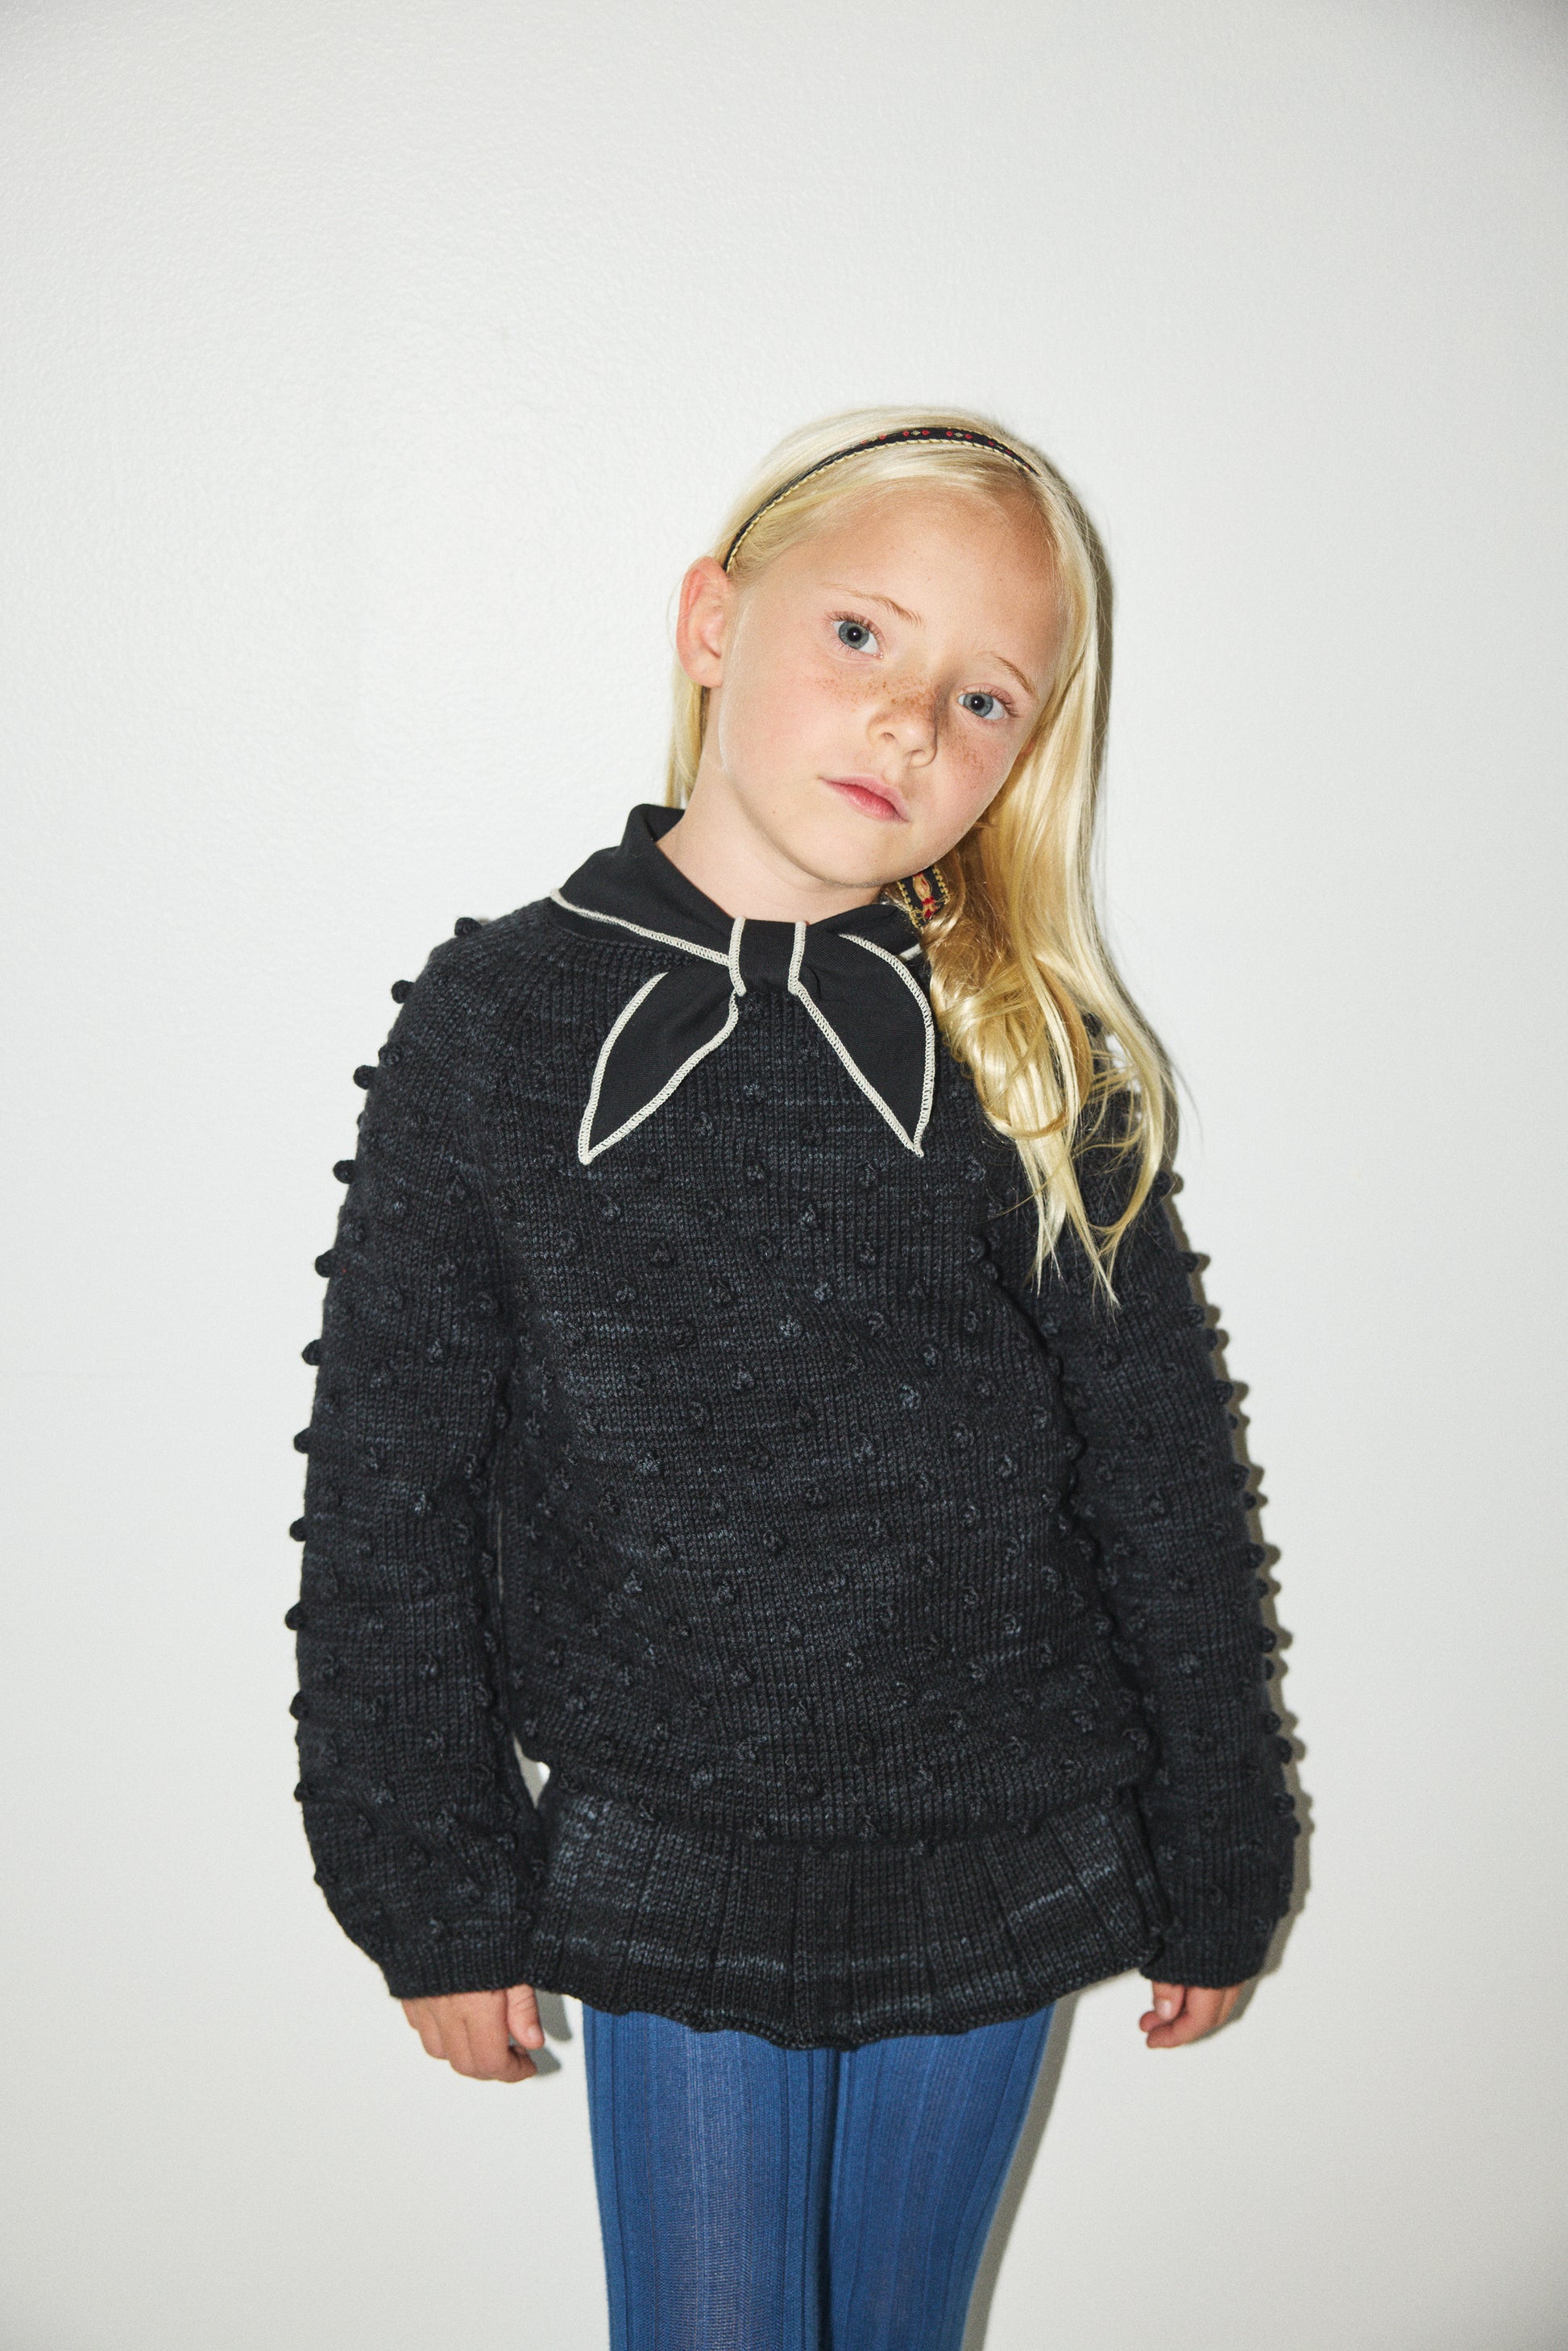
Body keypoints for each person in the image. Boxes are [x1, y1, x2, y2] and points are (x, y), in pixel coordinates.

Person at [288, 405, 1298, 2349]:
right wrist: (427, 1879)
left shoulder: (1028, 1051)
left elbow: (1162, 1472)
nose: (911, 724)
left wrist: (1218, 1842)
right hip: (671, 1836)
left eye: (983, 697)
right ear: (711, 623)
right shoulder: (501, 1021)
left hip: (1002, 1832)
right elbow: (391, 1483)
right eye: (860, 636)